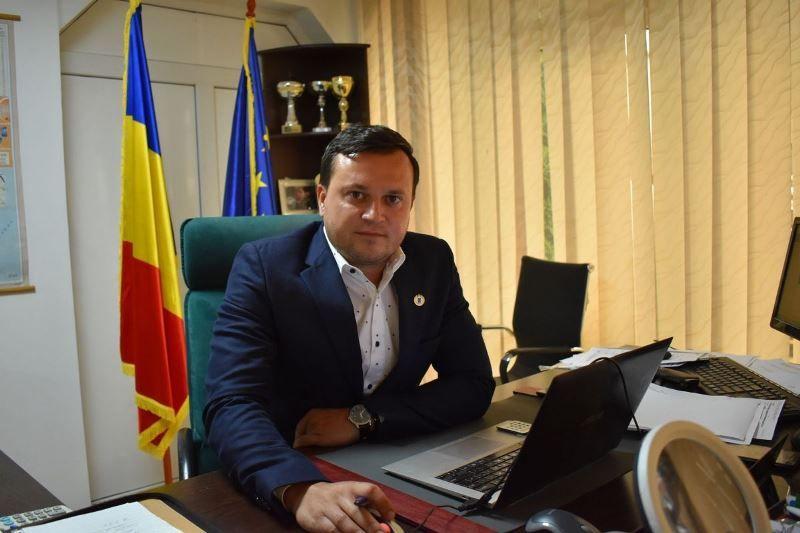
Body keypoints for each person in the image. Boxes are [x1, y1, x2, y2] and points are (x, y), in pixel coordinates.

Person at [205, 124, 495, 532]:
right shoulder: (266, 268)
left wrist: (363, 419)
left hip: (394, 459)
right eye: (356, 195)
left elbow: (472, 383)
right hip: (293, 465)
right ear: (323, 197)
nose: (376, 215)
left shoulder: (432, 261)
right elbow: (231, 403)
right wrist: (299, 489)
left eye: (393, 198)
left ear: (410, 204)